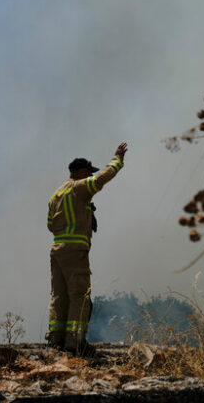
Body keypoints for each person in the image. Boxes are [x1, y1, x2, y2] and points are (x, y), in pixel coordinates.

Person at [45, 142, 127, 355]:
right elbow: (101, 179)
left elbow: (50, 225)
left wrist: (85, 213)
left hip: (57, 251)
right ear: (81, 172)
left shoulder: (56, 194)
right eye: (88, 173)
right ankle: (75, 341)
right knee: (79, 295)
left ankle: (55, 341)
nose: (90, 175)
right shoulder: (79, 187)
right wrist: (117, 160)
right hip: (75, 251)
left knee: (59, 295)